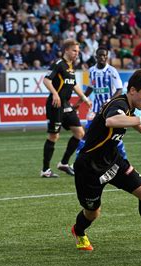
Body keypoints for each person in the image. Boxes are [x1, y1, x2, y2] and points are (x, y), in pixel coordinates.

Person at [71, 69, 141, 251]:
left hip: (113, 161)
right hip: (90, 168)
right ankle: (79, 231)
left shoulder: (129, 106)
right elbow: (112, 121)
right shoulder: (118, 104)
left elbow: (129, 120)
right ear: (133, 90)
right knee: (92, 213)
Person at [41, 39, 92, 178]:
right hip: (55, 105)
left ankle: (63, 163)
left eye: (78, 51)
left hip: (66, 105)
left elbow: (74, 84)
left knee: (80, 133)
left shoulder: (70, 66)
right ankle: (45, 170)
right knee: (54, 136)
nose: (77, 53)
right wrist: (55, 94)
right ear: (66, 50)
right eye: (74, 51)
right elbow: (46, 80)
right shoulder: (58, 64)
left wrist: (85, 99)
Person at [75, 47, 124, 158]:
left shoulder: (111, 71)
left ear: (107, 57)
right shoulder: (91, 70)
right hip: (96, 109)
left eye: (105, 55)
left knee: (114, 135)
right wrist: (79, 102)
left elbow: (119, 89)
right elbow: (90, 88)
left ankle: (124, 159)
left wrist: (109, 101)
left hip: (110, 109)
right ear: (96, 57)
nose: (102, 57)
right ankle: (78, 160)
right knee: (86, 134)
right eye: (100, 55)